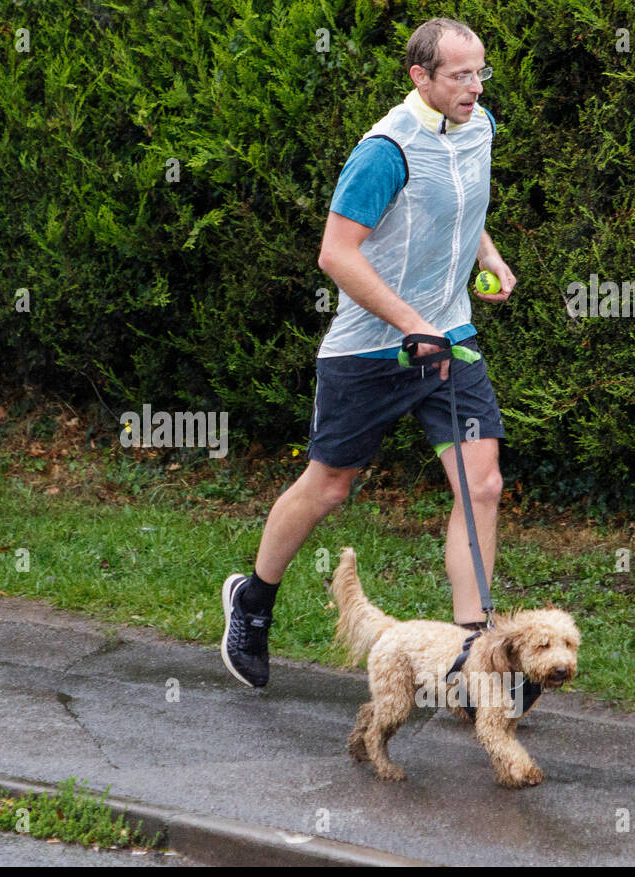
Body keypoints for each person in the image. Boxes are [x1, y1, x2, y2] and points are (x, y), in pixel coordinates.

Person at [221, 17, 517, 688]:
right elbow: (335, 252)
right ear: (421, 77)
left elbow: (461, 209)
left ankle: (473, 659)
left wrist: (489, 256)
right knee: (330, 485)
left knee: (483, 486)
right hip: (371, 351)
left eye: (481, 73)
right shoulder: (386, 149)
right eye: (459, 76)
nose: (475, 88)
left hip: (451, 343)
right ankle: (254, 600)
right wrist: (412, 321)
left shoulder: (481, 128)